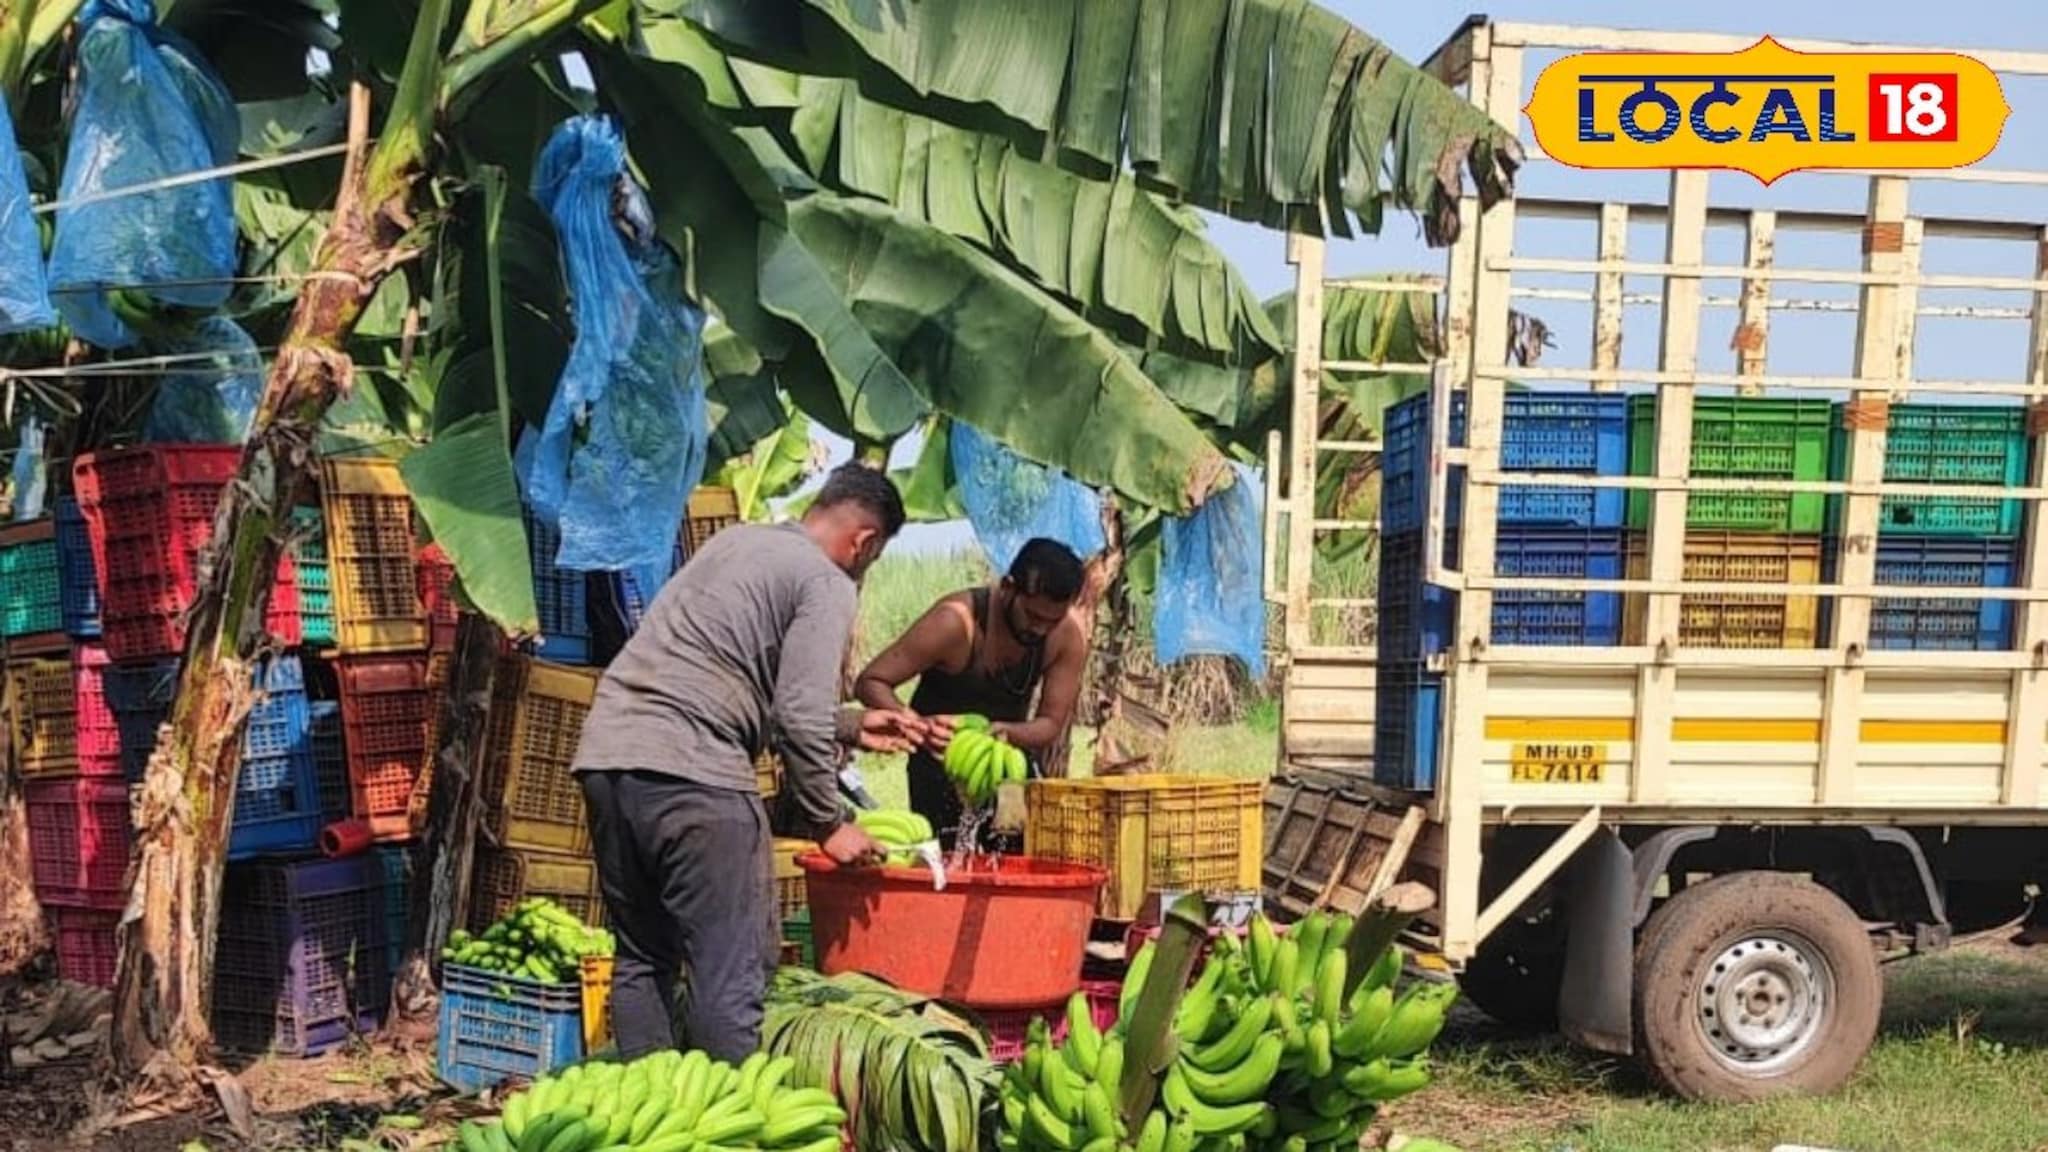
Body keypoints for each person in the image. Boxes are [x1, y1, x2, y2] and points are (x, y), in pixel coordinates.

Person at [572, 464, 923, 1062]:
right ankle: (728, 1121)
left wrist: (854, 723)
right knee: (727, 973)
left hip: (609, 758)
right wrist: (828, 822)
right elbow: (796, 714)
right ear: (864, 542)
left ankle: (651, 1114)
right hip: (695, 775)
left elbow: (725, 673)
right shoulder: (825, 580)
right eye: (875, 556)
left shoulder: (737, 541)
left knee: (643, 957)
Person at [855, 537, 1088, 847]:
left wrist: (1002, 732)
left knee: (1011, 858)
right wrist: (918, 727)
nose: (1040, 629)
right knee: (944, 865)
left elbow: (1049, 724)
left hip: (1008, 770)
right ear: (1008, 587)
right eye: (1033, 616)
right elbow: (871, 681)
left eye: (1052, 620)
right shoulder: (955, 622)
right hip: (938, 767)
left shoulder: (1067, 637)